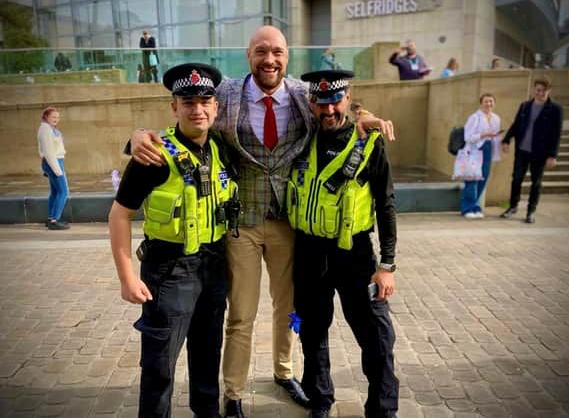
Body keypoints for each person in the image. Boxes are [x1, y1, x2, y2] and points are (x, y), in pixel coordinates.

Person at [129, 25, 395, 418]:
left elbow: (340, 105)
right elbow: (186, 113)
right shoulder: (224, 94)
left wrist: (365, 115)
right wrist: (136, 136)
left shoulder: (306, 96)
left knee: (289, 309)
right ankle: (233, 392)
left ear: (286, 57)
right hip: (244, 225)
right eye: (261, 51)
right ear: (249, 55)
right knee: (241, 313)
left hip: (290, 225)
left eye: (277, 52)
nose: (269, 59)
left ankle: (284, 372)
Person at [109, 63, 239, 418]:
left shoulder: (222, 148)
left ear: (216, 106)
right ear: (174, 107)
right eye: (188, 101)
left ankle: (207, 412)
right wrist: (127, 277)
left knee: (207, 353)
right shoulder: (153, 154)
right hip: (168, 271)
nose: (197, 109)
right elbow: (119, 214)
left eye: (205, 101)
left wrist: (362, 115)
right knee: (160, 366)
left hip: (213, 267)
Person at [290, 69, 398, 418]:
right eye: (321, 103)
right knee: (312, 330)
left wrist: (387, 266)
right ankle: (320, 399)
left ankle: (382, 409)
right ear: (311, 104)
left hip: (355, 254)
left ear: (348, 99)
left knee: (376, 337)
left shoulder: (368, 142)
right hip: (308, 250)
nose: (329, 110)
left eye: (336, 101)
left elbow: (386, 204)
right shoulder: (300, 139)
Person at [500, 78, 563, 223]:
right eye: (537, 90)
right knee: (516, 179)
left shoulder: (555, 110)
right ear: (534, 90)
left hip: (539, 153)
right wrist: (506, 140)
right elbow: (516, 124)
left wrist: (552, 155)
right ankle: (513, 207)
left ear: (549, 91)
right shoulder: (525, 106)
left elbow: (556, 134)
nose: (540, 93)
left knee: (536, 183)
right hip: (522, 150)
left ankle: (531, 212)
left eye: (543, 90)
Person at [460, 93, 502, 219]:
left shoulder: (496, 118)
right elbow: (468, 137)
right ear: (481, 103)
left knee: (483, 179)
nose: (488, 104)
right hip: (475, 150)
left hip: (488, 149)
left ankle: (476, 207)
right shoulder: (474, 117)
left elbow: (495, 136)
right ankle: (467, 208)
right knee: (472, 179)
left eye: (491, 101)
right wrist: (483, 135)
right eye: (486, 101)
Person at [37, 107, 70, 230]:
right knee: (63, 192)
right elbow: (49, 152)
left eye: (57, 117)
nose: (56, 119)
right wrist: (57, 171)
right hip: (53, 163)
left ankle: (51, 218)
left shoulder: (50, 129)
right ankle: (54, 220)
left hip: (55, 162)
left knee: (55, 192)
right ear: (46, 117)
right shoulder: (45, 130)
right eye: (53, 117)